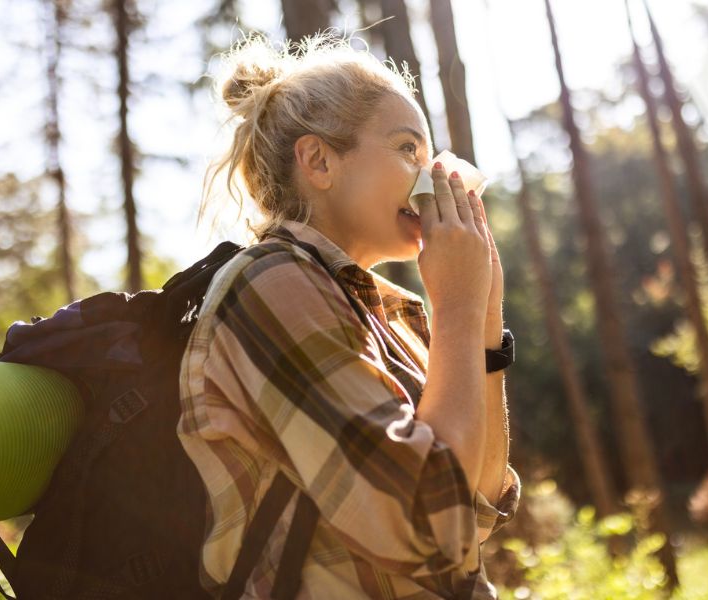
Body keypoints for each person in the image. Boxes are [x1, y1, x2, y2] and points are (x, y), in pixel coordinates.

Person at [177, 29, 520, 599]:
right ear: (318, 161)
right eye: (408, 148)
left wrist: (482, 316)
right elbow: (431, 526)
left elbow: (475, 510)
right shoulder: (269, 283)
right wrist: (457, 308)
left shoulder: (389, 312)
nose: (429, 174)